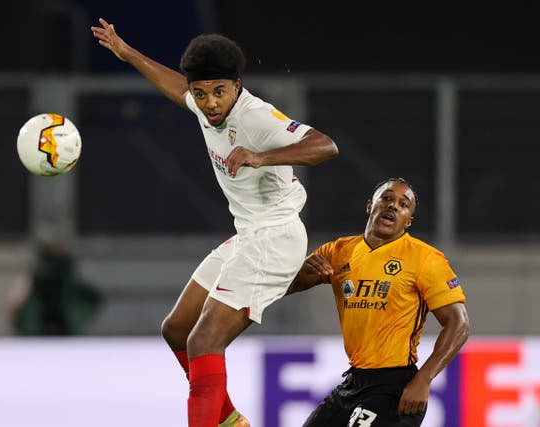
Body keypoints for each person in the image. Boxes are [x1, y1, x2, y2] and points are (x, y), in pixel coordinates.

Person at [91, 18, 339, 427]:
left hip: (274, 236)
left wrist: (262, 156)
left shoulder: (256, 117)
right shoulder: (205, 103)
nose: (210, 104)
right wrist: (128, 52)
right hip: (247, 235)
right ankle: (227, 420)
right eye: (201, 93)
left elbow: (326, 146)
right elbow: (177, 89)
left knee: (204, 340)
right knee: (176, 329)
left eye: (219, 92)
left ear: (237, 85)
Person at [287, 177, 470, 426]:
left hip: (395, 386)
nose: (393, 206)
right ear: (370, 205)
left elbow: (458, 324)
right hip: (354, 382)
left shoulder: (425, 259)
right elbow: (285, 287)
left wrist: (424, 379)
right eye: (386, 198)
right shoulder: (339, 251)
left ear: (408, 221)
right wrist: (297, 271)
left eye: (403, 204)